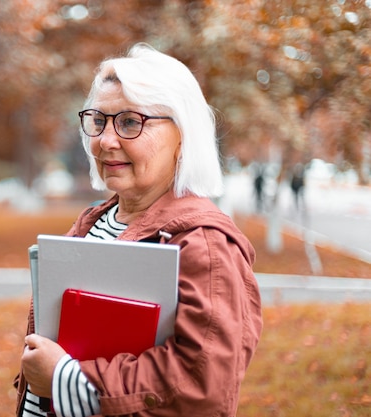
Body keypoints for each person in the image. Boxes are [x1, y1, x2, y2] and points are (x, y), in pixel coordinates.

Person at [15, 43, 263, 417]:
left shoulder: (205, 243)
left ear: (182, 135)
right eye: (98, 120)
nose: (105, 141)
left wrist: (65, 378)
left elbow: (204, 385)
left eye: (130, 122)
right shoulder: (93, 223)